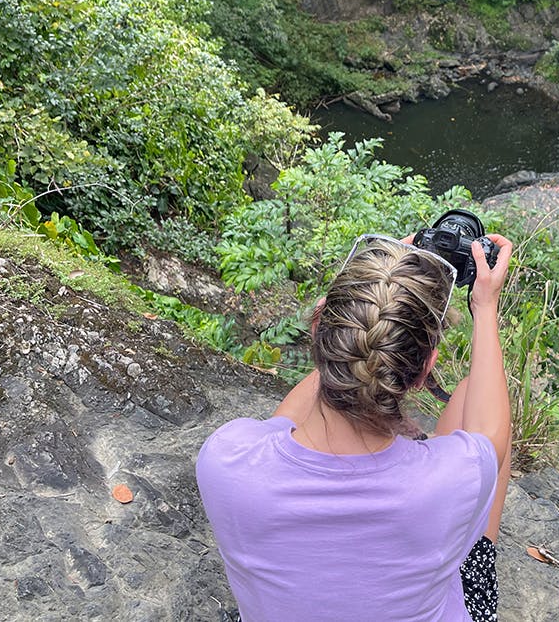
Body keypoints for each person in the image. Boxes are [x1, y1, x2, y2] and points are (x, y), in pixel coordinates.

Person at [196, 230, 513, 621]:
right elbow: (492, 435)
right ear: (422, 372)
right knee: (472, 395)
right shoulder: (452, 483)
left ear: (317, 329)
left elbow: (285, 422)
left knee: (466, 396)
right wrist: (484, 306)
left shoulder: (226, 459)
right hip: (431, 514)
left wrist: (356, 324)